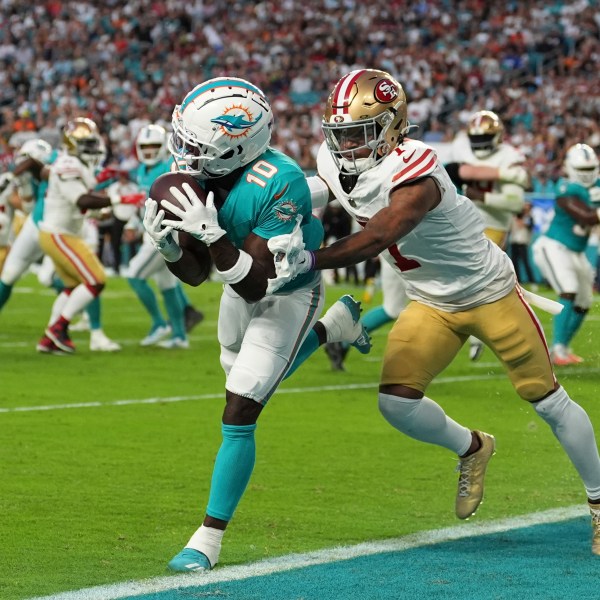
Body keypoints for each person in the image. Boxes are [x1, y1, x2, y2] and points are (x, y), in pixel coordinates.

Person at [267, 69, 600, 556]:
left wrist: (312, 259)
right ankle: (472, 446)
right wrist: (276, 207)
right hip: (431, 301)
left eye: (361, 133)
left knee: (545, 400)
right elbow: (324, 188)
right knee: (395, 404)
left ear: (393, 128)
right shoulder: (334, 159)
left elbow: (384, 231)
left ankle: (598, 501)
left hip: (489, 294)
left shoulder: (416, 168)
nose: (348, 146)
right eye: (341, 134)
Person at [142, 77, 371, 572]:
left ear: (236, 144)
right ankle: (336, 328)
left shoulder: (279, 178)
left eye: (196, 145)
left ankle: (206, 540)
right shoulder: (196, 176)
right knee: (251, 383)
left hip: (287, 290)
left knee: (241, 406)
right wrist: (170, 249)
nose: (184, 154)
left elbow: (256, 285)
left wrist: (215, 236)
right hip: (235, 283)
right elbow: (201, 274)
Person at [17, 118, 129, 354]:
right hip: (60, 234)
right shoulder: (68, 164)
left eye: (92, 142)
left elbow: (85, 195)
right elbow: (82, 200)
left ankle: (48, 340)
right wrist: (120, 199)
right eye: (85, 143)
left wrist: (101, 180)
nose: (91, 147)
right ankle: (58, 329)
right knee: (96, 279)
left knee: (73, 286)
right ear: (72, 144)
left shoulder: (76, 163)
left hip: (62, 231)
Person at [446, 110, 530, 361]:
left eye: (485, 138)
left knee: (478, 280)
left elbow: (516, 203)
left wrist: (483, 196)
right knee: (460, 280)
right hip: (461, 218)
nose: (479, 144)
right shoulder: (460, 149)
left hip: (493, 224)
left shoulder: (510, 155)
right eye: (476, 138)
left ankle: (483, 333)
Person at [532, 143, 600, 366]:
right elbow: (586, 216)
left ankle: (562, 347)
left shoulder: (595, 185)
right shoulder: (565, 187)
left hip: (576, 251)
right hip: (553, 246)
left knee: (584, 301)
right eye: (583, 169)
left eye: (590, 169)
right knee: (568, 290)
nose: (587, 175)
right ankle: (556, 349)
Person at [509, 202, 536, 285]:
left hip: (523, 242)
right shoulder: (514, 217)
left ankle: (532, 281)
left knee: (525, 262)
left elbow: (529, 225)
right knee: (514, 262)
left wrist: (523, 221)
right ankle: (517, 280)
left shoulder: (529, 217)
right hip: (514, 242)